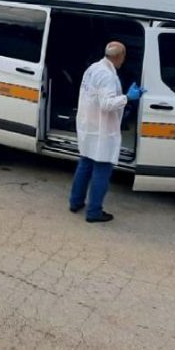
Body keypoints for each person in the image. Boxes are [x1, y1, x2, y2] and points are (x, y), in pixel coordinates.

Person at [68, 41, 143, 223]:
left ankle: (75, 202)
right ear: (119, 57)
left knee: (85, 163)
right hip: (102, 130)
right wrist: (128, 97)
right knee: (102, 169)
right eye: (124, 56)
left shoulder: (93, 68)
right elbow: (107, 104)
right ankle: (94, 212)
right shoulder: (107, 76)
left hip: (89, 125)